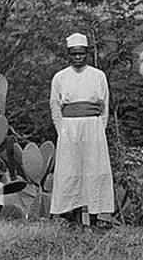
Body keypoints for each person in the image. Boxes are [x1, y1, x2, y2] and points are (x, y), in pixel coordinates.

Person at [49, 33, 115, 226]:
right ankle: (75, 219)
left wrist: (98, 129)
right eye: (74, 54)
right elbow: (55, 106)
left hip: (93, 129)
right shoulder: (60, 77)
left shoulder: (98, 76)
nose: (78, 57)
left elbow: (104, 106)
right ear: (68, 54)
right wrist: (62, 130)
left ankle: (94, 219)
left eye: (81, 53)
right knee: (72, 171)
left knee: (94, 171)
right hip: (69, 129)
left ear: (87, 53)